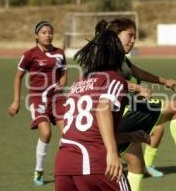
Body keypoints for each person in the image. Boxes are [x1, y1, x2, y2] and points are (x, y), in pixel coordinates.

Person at [100, 18, 176, 191]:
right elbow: (103, 81)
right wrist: (136, 88)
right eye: (129, 35)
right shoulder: (106, 57)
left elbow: (136, 71)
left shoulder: (119, 57)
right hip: (121, 115)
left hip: (120, 117)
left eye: (135, 36)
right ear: (115, 35)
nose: (133, 40)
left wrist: (164, 81)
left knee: (136, 167)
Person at [55, 23, 151, 191]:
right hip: (93, 161)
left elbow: (91, 131)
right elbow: (102, 108)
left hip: (64, 163)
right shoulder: (114, 79)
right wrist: (112, 153)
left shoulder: (79, 82)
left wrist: (130, 136)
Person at [7, 21, 67, 186]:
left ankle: (65, 169)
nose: (48, 35)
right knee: (46, 133)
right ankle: (39, 170)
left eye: (50, 32)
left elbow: (63, 74)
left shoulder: (60, 53)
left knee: (68, 133)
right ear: (36, 35)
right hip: (37, 99)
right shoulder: (29, 55)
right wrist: (16, 101)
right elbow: (18, 77)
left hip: (57, 99)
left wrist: (61, 83)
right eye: (44, 32)